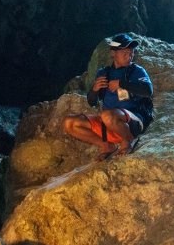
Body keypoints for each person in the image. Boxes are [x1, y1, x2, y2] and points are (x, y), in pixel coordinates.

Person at [63, 33, 154, 161]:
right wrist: (95, 90)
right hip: (110, 123)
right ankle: (106, 146)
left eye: (131, 52)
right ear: (113, 53)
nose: (129, 55)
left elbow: (148, 91)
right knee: (70, 123)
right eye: (125, 52)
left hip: (132, 122)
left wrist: (121, 83)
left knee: (107, 115)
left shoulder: (136, 71)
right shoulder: (104, 73)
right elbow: (92, 102)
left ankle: (128, 140)